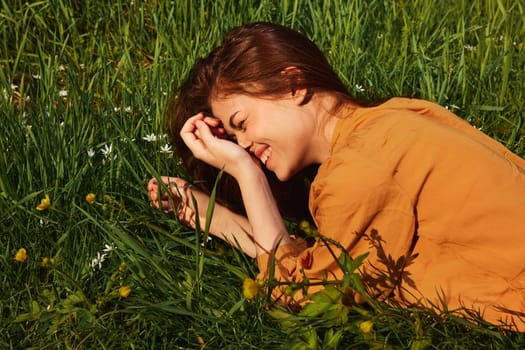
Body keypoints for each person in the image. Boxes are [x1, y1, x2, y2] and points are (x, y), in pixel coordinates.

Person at [147, 22, 525, 331]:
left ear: (293, 84)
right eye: (234, 140)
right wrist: (226, 220)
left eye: (241, 124)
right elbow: (330, 260)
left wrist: (247, 175)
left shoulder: (360, 170)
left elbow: (303, 293)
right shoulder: (395, 118)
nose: (242, 145)